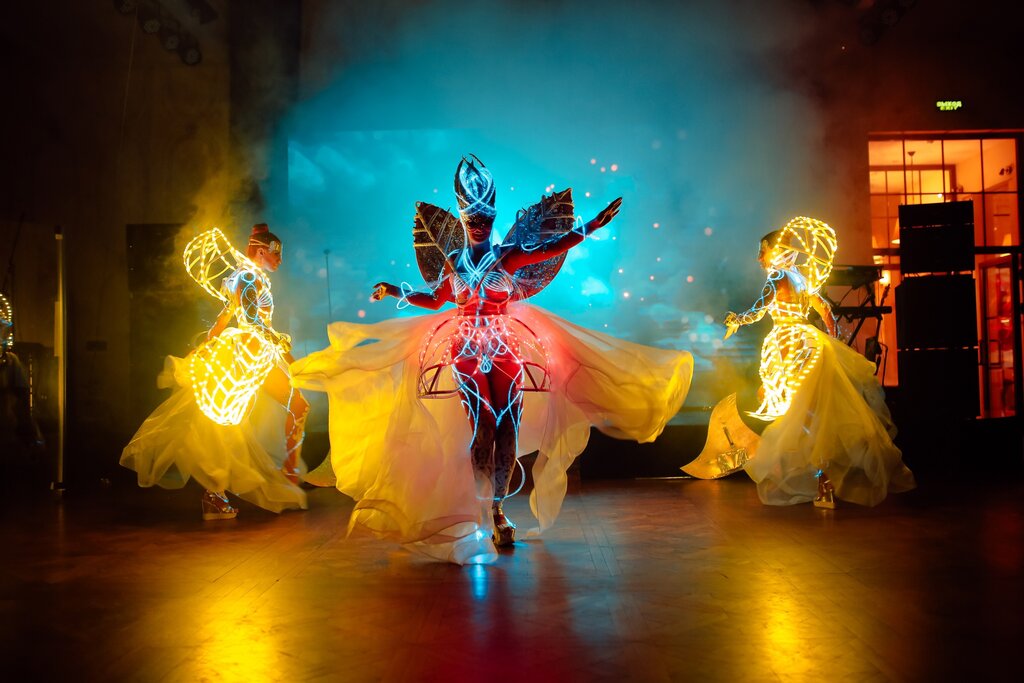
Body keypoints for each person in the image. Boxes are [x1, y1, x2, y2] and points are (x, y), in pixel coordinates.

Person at [291, 156, 692, 563]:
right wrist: (395, 290)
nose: (479, 224)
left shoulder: (508, 255)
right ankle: (482, 508)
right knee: (483, 424)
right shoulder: (454, 262)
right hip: (464, 350)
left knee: (508, 426)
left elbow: (552, 247)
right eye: (473, 219)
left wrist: (591, 226)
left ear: (492, 217)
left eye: (485, 218)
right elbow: (436, 299)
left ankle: (498, 508)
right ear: (464, 219)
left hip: (504, 347)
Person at [722, 218, 915, 507]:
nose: (759, 258)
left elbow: (760, 309)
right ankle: (822, 477)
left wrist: (737, 319)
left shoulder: (777, 276)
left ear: (775, 250)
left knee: (798, 412)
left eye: (763, 251)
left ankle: (811, 476)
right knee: (813, 412)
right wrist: (832, 341)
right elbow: (826, 311)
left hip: (788, 344)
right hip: (811, 343)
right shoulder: (802, 278)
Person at [121, 224, 308, 520]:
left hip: (254, 354)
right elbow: (251, 320)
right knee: (242, 423)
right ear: (261, 252)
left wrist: (208, 345)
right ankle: (262, 481)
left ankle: (267, 479)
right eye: (276, 254)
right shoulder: (248, 277)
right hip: (248, 355)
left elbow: (224, 318)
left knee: (252, 420)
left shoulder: (242, 276)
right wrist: (279, 341)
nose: (280, 260)